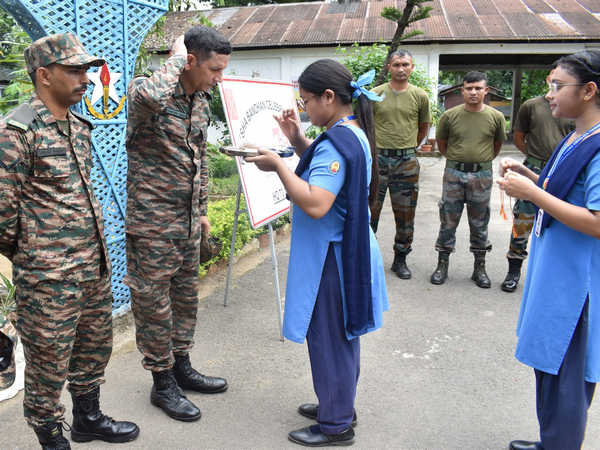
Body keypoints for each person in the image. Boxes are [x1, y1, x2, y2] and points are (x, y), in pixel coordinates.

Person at [0, 33, 139, 449]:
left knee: (93, 349)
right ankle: (50, 438)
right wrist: (33, 255)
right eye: (75, 70)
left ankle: (88, 418)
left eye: (86, 70)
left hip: (91, 266)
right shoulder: (16, 131)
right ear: (44, 75)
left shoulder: (78, 125)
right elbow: (2, 214)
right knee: (47, 364)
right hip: (49, 277)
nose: (86, 79)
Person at [245, 60, 389, 447]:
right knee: (342, 338)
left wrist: (278, 164)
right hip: (346, 251)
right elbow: (328, 171)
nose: (303, 107)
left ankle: (336, 424)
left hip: (333, 259)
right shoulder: (349, 133)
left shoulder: (338, 141)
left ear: (329, 97)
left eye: (306, 100)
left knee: (328, 339)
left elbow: (316, 202)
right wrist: (295, 140)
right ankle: (337, 402)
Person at [125, 26, 231, 422]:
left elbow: (198, 159)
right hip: (152, 224)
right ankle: (162, 382)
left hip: (186, 222)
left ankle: (181, 366)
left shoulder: (200, 100)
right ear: (188, 61)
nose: (218, 78)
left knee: (185, 299)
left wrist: (202, 210)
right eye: (214, 69)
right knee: (154, 306)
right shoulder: (147, 91)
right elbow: (149, 96)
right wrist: (174, 57)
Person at [498, 51, 600, 450]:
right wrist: (529, 175)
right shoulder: (577, 135)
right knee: (550, 367)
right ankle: (551, 441)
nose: (550, 94)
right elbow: (565, 191)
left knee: (568, 373)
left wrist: (534, 194)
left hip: (576, 281)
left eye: (558, 86)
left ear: (590, 90)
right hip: (556, 272)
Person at [430, 71, 506, 288]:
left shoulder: (495, 117)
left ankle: (479, 268)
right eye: (469, 88)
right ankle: (442, 265)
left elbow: (496, 147)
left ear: (486, 90)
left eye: (478, 88)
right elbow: (442, 145)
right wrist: (458, 162)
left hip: (482, 176)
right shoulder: (449, 115)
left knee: (480, 223)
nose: (473, 92)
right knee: (448, 221)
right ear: (462, 90)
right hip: (453, 174)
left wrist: (478, 163)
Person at [501, 69, 574, 293]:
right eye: (553, 81)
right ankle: (514, 271)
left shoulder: (574, 109)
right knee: (522, 222)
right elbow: (519, 138)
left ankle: (553, 277)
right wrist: (533, 161)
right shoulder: (531, 106)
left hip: (565, 170)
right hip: (533, 167)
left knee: (561, 222)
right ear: (547, 80)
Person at [369, 50, 430, 279]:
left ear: (412, 67)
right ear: (389, 67)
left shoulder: (420, 95)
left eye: (405, 64)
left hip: (406, 162)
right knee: (369, 211)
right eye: (396, 64)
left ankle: (400, 260)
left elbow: (423, 128)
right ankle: (369, 258)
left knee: (405, 214)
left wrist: (408, 148)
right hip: (377, 161)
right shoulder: (374, 94)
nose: (401, 68)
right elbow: (366, 124)